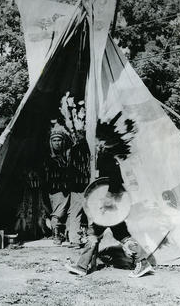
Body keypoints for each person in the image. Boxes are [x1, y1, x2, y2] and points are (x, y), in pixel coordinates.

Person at [65, 115, 155, 278]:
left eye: (98, 138)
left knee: (93, 234)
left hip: (110, 204)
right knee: (121, 235)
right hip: (115, 204)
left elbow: (115, 179)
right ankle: (142, 262)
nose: (96, 140)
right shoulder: (112, 155)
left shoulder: (107, 155)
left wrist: (107, 197)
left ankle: (82, 266)